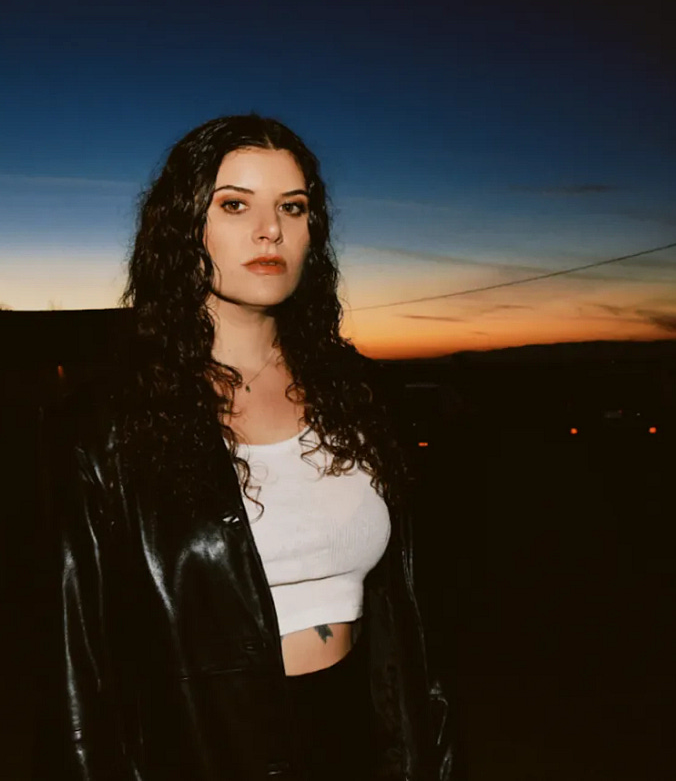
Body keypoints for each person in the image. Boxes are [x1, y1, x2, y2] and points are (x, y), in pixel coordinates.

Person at [31, 114, 456, 780]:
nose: (271, 230)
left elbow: (417, 626)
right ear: (184, 228)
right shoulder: (111, 424)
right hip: (203, 751)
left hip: (364, 741)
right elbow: (76, 666)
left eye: (293, 206)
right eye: (235, 204)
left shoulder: (360, 394)